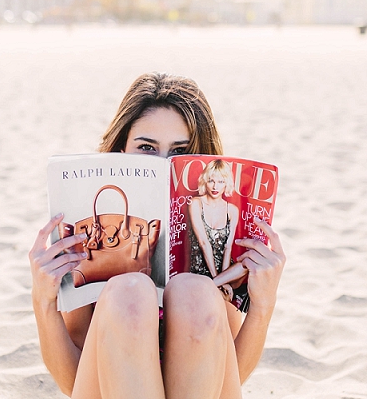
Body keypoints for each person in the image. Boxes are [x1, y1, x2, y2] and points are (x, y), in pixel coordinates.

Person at [28, 72, 286, 399]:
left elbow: (230, 372)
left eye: (180, 151)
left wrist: (263, 305)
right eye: (147, 148)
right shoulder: (95, 233)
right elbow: (72, 383)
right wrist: (44, 301)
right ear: (121, 152)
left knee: (196, 292)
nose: (163, 164)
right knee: (129, 293)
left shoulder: (214, 218)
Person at [188, 159, 242, 302]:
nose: (215, 186)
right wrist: (219, 281)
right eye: (211, 181)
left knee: (248, 263)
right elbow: (204, 243)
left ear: (227, 184)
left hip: (225, 271)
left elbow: (228, 247)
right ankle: (214, 286)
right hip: (201, 270)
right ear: (205, 181)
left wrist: (224, 279)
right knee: (221, 298)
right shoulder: (196, 203)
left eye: (220, 182)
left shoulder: (232, 210)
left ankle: (215, 285)